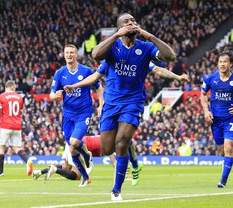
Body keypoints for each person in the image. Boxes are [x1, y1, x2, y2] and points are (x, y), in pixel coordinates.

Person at [64, 13, 189, 200]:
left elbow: (170, 57)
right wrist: (115, 35)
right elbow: (95, 56)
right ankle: (130, 158)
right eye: (126, 22)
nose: (131, 24)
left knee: (121, 142)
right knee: (107, 148)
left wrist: (150, 36)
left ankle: (116, 189)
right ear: (120, 28)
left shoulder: (145, 48)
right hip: (111, 104)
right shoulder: (112, 49)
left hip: (133, 103)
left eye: (133, 22)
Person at [50, 44, 104, 187]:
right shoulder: (60, 73)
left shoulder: (86, 71)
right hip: (67, 115)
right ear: (64, 54)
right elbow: (51, 95)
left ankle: (87, 155)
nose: (69, 55)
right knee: (72, 148)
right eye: (67, 52)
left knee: (74, 142)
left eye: (72, 52)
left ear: (76, 55)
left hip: (83, 113)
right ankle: (86, 177)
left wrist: (101, 104)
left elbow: (99, 87)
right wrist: (55, 96)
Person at [200, 50, 233, 188]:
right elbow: (203, 94)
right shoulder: (210, 78)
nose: (222, 64)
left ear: (230, 64)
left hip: (231, 119)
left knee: (228, 148)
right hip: (216, 120)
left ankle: (223, 180)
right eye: (220, 62)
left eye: (225, 61)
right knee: (222, 152)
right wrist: (206, 111)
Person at [32, 136, 140, 185]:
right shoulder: (106, 144)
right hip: (78, 145)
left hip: (73, 141)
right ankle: (54, 169)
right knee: (76, 175)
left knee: (65, 167)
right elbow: (113, 160)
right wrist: (121, 175)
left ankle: (39, 172)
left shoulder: (105, 140)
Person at [0, 81, 33, 177]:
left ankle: (0, 172)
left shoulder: (1, 97)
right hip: (17, 126)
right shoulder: (20, 98)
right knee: (17, 148)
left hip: (5, 125)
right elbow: (21, 112)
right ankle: (27, 160)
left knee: (0, 147)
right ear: (12, 87)